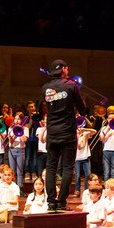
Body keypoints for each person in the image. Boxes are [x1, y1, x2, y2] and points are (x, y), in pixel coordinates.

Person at [41, 59, 85, 212]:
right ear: (64, 69)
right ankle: (61, 203)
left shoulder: (45, 88)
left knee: (51, 167)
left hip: (52, 132)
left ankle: (51, 202)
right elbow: (83, 108)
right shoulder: (71, 85)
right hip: (67, 132)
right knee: (67, 168)